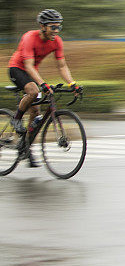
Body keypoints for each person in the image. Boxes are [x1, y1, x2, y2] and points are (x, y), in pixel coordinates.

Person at [7, 9, 80, 167]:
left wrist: (72, 83)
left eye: (58, 27)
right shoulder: (29, 37)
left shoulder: (57, 41)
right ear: (42, 26)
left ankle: (25, 147)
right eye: (52, 27)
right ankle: (16, 119)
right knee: (34, 91)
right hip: (17, 69)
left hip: (32, 71)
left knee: (36, 113)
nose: (56, 31)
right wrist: (42, 84)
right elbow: (28, 66)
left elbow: (62, 66)